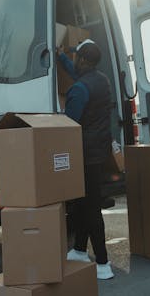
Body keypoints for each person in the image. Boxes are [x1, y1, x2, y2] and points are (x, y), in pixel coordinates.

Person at [58, 39, 114, 280]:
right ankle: (80, 249)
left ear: (82, 59)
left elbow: (68, 124)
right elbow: (78, 75)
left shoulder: (79, 89)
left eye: (75, 58)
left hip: (84, 154)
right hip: (99, 152)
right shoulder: (102, 81)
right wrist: (61, 57)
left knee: (91, 208)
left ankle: (103, 263)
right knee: (82, 204)